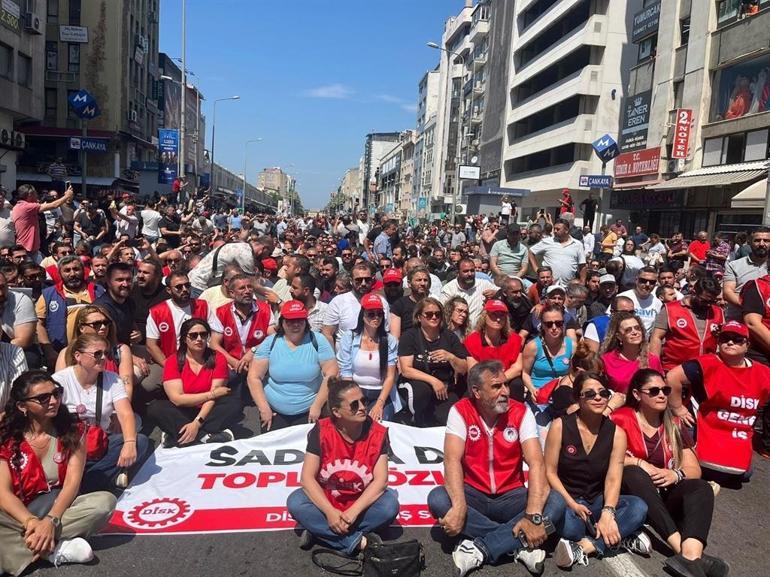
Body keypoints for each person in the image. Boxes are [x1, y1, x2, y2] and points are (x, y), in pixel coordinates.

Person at [427, 361, 566, 576]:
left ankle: (480, 547)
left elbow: (536, 463)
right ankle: (519, 543)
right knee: (438, 498)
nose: (505, 392)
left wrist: (532, 517)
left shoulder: (521, 412)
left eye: (506, 384)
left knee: (555, 502)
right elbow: (452, 460)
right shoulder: (461, 411)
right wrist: (460, 506)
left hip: (512, 496)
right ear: (477, 392)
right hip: (474, 494)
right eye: (496, 386)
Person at [0, 371, 117, 575]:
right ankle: (53, 550)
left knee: (104, 503)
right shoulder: (7, 436)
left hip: (56, 508)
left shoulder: (74, 430)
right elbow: (3, 492)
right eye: (43, 398)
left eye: (56, 393)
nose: (54, 401)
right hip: (18, 513)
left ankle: (19, 549)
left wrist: (50, 521)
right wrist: (31, 522)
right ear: (22, 406)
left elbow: (72, 485)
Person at [612, 369, 726, 577]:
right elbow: (603, 458)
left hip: (663, 494)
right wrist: (638, 462)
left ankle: (691, 555)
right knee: (634, 473)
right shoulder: (620, 419)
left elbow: (694, 469)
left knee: (701, 487)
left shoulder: (673, 423)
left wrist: (676, 475)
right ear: (637, 394)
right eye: (654, 391)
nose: (662, 395)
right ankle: (682, 550)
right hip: (630, 494)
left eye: (665, 390)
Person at [545, 371, 650, 568]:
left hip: (597, 500)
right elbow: (549, 471)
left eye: (603, 393)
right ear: (578, 398)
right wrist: (572, 504)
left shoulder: (617, 434)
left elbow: (613, 478)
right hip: (567, 500)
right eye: (590, 394)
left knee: (638, 508)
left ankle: (587, 546)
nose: (598, 398)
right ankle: (620, 536)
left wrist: (608, 513)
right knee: (571, 528)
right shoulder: (560, 426)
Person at [286, 378, 398, 556]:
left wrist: (352, 512)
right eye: (354, 405)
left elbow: (381, 481)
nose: (362, 407)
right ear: (336, 412)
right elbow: (307, 478)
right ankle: (356, 541)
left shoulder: (378, 433)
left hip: (360, 502)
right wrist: (330, 512)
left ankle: (319, 532)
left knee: (389, 506)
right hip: (327, 499)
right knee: (296, 502)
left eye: (364, 401)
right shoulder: (321, 431)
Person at [666, 321, 770, 485]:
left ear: (747, 345)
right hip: (705, 428)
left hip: (738, 434)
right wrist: (678, 408)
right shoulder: (705, 364)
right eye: (725, 338)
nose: (730, 342)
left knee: (745, 474)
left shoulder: (763, 372)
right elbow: (672, 377)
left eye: (737, 339)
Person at [53, 334, 147, 493]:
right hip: (69, 444)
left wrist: (130, 443)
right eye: (97, 354)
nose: (103, 358)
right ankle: (101, 479)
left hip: (99, 441)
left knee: (140, 442)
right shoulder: (59, 381)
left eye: (106, 353)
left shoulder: (113, 379)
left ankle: (84, 484)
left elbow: (125, 413)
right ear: (78, 356)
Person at [148, 319, 242, 447]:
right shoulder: (172, 361)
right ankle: (204, 436)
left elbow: (216, 396)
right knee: (155, 408)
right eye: (193, 335)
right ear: (184, 339)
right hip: (183, 409)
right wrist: (211, 394)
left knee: (234, 403)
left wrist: (197, 422)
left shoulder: (218, 358)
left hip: (208, 409)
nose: (199, 339)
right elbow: (177, 400)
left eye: (203, 334)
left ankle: (179, 434)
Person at [248, 300, 338, 431]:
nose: (295, 324)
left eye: (300, 320)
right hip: (273, 411)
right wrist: (264, 408)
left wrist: (317, 406)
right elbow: (254, 377)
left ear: (306, 321)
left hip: (309, 410)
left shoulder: (318, 340)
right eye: (290, 321)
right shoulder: (270, 342)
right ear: (282, 322)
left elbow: (332, 374)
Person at [398, 297, 468, 427]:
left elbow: (464, 368)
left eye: (437, 314)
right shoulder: (409, 336)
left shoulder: (449, 337)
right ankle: (412, 419)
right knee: (421, 392)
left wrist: (451, 357)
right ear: (419, 317)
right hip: (417, 384)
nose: (434, 317)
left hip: (444, 388)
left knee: (450, 419)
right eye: (429, 314)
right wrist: (433, 381)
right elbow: (406, 370)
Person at [336, 294, 399, 422]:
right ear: (362, 315)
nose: (376, 318)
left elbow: (390, 376)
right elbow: (346, 372)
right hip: (356, 391)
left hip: (381, 393)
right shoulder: (349, 337)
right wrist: (355, 400)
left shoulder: (390, 340)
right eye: (371, 314)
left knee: (380, 422)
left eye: (379, 314)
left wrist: (379, 404)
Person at [37, 256, 105, 368]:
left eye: (76, 269)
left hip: (95, 354)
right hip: (61, 355)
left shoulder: (99, 291)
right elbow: (39, 324)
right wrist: (49, 350)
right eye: (67, 270)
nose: (72, 274)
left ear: (83, 271)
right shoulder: (48, 295)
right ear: (60, 273)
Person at [55, 305, 135, 398]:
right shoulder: (66, 352)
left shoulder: (120, 351)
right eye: (96, 324)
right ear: (81, 328)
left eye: (106, 323)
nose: (103, 327)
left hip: (111, 403)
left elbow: (126, 386)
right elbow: (60, 387)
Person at [649, 278, 723, 372]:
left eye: (712, 301)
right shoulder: (670, 309)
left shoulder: (718, 312)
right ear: (693, 292)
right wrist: (654, 368)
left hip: (705, 370)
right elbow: (656, 337)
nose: (708, 305)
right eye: (704, 301)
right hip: (673, 369)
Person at [209, 274, 273, 374]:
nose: (247, 291)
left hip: (258, 363)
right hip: (230, 365)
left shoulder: (265, 310)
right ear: (232, 293)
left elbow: (273, 338)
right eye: (242, 288)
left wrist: (253, 350)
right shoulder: (221, 312)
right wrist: (235, 363)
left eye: (250, 287)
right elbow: (214, 344)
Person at [600, 311, 663, 410]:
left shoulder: (652, 360)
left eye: (637, 328)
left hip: (647, 412)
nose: (634, 332)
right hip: (618, 410)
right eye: (628, 330)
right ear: (619, 336)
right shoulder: (606, 360)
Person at [145, 271, 210, 366]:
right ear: (168, 290)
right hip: (171, 361)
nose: (184, 289)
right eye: (179, 287)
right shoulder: (157, 312)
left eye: (187, 285)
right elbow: (151, 345)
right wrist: (169, 367)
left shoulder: (203, 306)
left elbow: (215, 336)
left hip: (202, 360)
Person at [323, 262, 390, 345]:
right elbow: (327, 333)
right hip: (346, 351)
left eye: (367, 280)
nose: (363, 283)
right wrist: (332, 353)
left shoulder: (381, 302)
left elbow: (386, 332)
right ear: (351, 281)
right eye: (358, 280)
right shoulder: (338, 301)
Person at [464, 300, 523, 383]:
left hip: (506, 380)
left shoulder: (515, 339)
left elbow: (517, 368)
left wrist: (498, 381)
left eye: (502, 315)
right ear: (484, 317)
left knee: (517, 384)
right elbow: (473, 370)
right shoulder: (472, 341)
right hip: (482, 383)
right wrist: (489, 384)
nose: (498, 319)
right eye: (494, 314)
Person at [522, 304, 574, 397]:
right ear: (542, 325)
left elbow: (574, 374)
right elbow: (525, 373)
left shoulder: (572, 346)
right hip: (539, 393)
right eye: (549, 324)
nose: (554, 327)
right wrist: (532, 390)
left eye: (558, 323)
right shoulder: (532, 346)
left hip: (562, 395)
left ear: (563, 323)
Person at [11, 184, 73, 260]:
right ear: (30, 195)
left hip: (30, 249)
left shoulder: (19, 206)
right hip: (27, 250)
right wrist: (67, 196)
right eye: (35, 193)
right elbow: (54, 205)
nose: (37, 195)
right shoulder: (27, 207)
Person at [722, 227, 770, 321]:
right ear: (749, 242)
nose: (761, 244)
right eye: (757, 240)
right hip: (738, 321)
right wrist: (752, 308)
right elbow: (728, 293)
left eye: (766, 241)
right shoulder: (734, 266)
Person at [440, 258, 497, 328]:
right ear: (458, 272)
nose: (470, 274)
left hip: (479, 331)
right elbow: (443, 313)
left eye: (472, 271)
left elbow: (502, 293)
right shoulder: (449, 289)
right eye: (465, 271)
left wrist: (495, 293)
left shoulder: (484, 284)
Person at [528, 218, 586, 285]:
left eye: (558, 229)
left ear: (566, 230)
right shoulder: (547, 242)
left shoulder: (577, 245)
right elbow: (531, 252)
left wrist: (582, 281)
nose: (555, 231)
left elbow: (582, 265)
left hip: (569, 285)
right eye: (554, 229)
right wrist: (537, 270)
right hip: (549, 285)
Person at [94, 262, 137, 347]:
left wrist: (136, 335)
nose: (125, 284)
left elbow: (133, 327)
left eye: (128, 280)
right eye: (120, 280)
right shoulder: (100, 308)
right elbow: (98, 341)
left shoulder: (130, 302)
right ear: (109, 282)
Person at [617, 266, 662, 336]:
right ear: (636, 280)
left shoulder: (658, 303)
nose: (647, 284)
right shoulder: (622, 297)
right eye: (643, 281)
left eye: (652, 282)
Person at [390, 265, 430, 339]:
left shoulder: (433, 305)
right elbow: (395, 338)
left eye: (425, 280)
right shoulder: (399, 305)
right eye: (418, 280)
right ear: (409, 283)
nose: (423, 283)